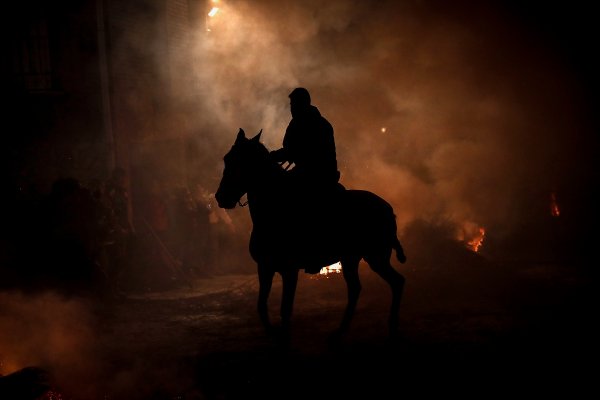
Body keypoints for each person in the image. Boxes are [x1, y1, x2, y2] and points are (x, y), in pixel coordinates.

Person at [270, 87, 344, 272]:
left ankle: (312, 252)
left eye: (293, 104)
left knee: (299, 204)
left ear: (302, 104)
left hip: (317, 174)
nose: (291, 108)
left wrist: (271, 157)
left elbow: (294, 150)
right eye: (291, 104)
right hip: (308, 170)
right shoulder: (308, 122)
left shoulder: (311, 123)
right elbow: (291, 149)